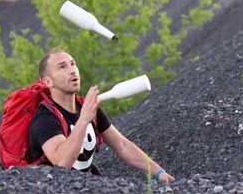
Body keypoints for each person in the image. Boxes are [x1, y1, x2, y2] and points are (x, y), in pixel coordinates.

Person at [28, 47, 174, 182]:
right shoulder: (44, 119)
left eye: (73, 64)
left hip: (90, 188)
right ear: (48, 82)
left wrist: (158, 172)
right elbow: (62, 164)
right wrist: (84, 119)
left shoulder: (90, 108)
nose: (72, 70)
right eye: (62, 67)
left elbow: (122, 146)